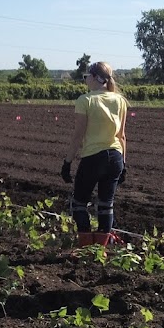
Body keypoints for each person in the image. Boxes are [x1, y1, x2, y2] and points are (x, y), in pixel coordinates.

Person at [61, 61, 128, 248]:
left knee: (79, 203)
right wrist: (124, 164)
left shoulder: (86, 100)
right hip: (115, 157)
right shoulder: (120, 101)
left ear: (95, 78)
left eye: (86, 77)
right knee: (106, 204)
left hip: (93, 157)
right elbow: (121, 135)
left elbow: (78, 135)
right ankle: (101, 250)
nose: (85, 80)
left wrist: (67, 163)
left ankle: (85, 247)